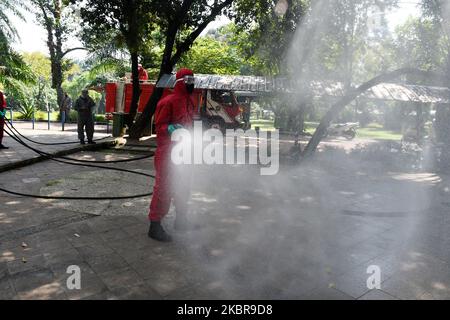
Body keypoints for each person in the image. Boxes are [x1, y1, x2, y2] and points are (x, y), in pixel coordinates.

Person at [148, 68, 196, 242]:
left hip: (185, 151)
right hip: (167, 152)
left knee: (184, 185)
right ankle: (154, 225)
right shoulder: (167, 101)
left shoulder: (191, 100)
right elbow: (159, 127)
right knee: (164, 187)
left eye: (193, 80)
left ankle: (181, 220)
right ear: (180, 82)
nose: (191, 83)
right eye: (188, 80)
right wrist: (170, 128)